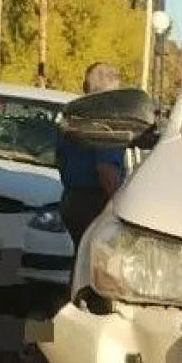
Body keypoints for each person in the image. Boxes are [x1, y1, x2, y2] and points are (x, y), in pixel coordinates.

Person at [56, 62, 127, 253]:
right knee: (98, 264)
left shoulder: (72, 117)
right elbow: (106, 170)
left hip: (72, 199)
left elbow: (60, 159)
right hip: (95, 203)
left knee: (79, 258)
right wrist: (120, 206)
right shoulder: (106, 121)